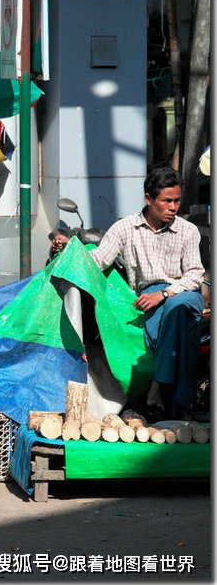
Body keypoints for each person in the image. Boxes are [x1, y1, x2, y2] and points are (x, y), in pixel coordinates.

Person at [52, 166, 205, 420]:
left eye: (177, 201)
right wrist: (71, 249)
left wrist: (165, 294)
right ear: (148, 199)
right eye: (167, 201)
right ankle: (179, 404)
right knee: (180, 328)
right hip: (149, 300)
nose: (173, 207)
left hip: (183, 294)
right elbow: (97, 260)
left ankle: (157, 385)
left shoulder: (188, 231)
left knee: (178, 308)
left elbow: (194, 275)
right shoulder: (124, 228)